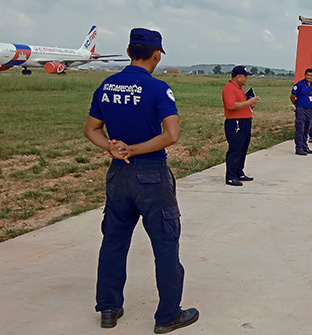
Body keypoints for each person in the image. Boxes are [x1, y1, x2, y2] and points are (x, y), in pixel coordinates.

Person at [83, 28, 199, 333]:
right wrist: (134, 149)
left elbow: (91, 129)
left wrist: (111, 146)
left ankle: (108, 308)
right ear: (157, 54)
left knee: (114, 241)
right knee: (164, 242)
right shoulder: (158, 89)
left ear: (129, 51)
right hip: (151, 174)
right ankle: (168, 315)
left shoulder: (106, 85)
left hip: (118, 174)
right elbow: (171, 135)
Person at [222, 65, 260, 186]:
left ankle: (239, 172)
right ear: (238, 77)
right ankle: (230, 176)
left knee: (243, 147)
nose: (246, 79)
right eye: (245, 77)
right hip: (235, 123)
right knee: (235, 149)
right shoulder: (229, 88)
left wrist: (250, 104)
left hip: (245, 121)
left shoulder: (239, 88)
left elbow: (241, 104)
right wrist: (248, 102)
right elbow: (231, 106)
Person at [291, 68, 312, 155]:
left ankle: (305, 146)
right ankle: (299, 148)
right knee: (300, 129)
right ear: (305, 75)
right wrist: (297, 105)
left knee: (307, 129)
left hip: (310, 110)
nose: (309, 77)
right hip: (301, 109)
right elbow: (292, 96)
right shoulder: (299, 85)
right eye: (308, 75)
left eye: (311, 75)